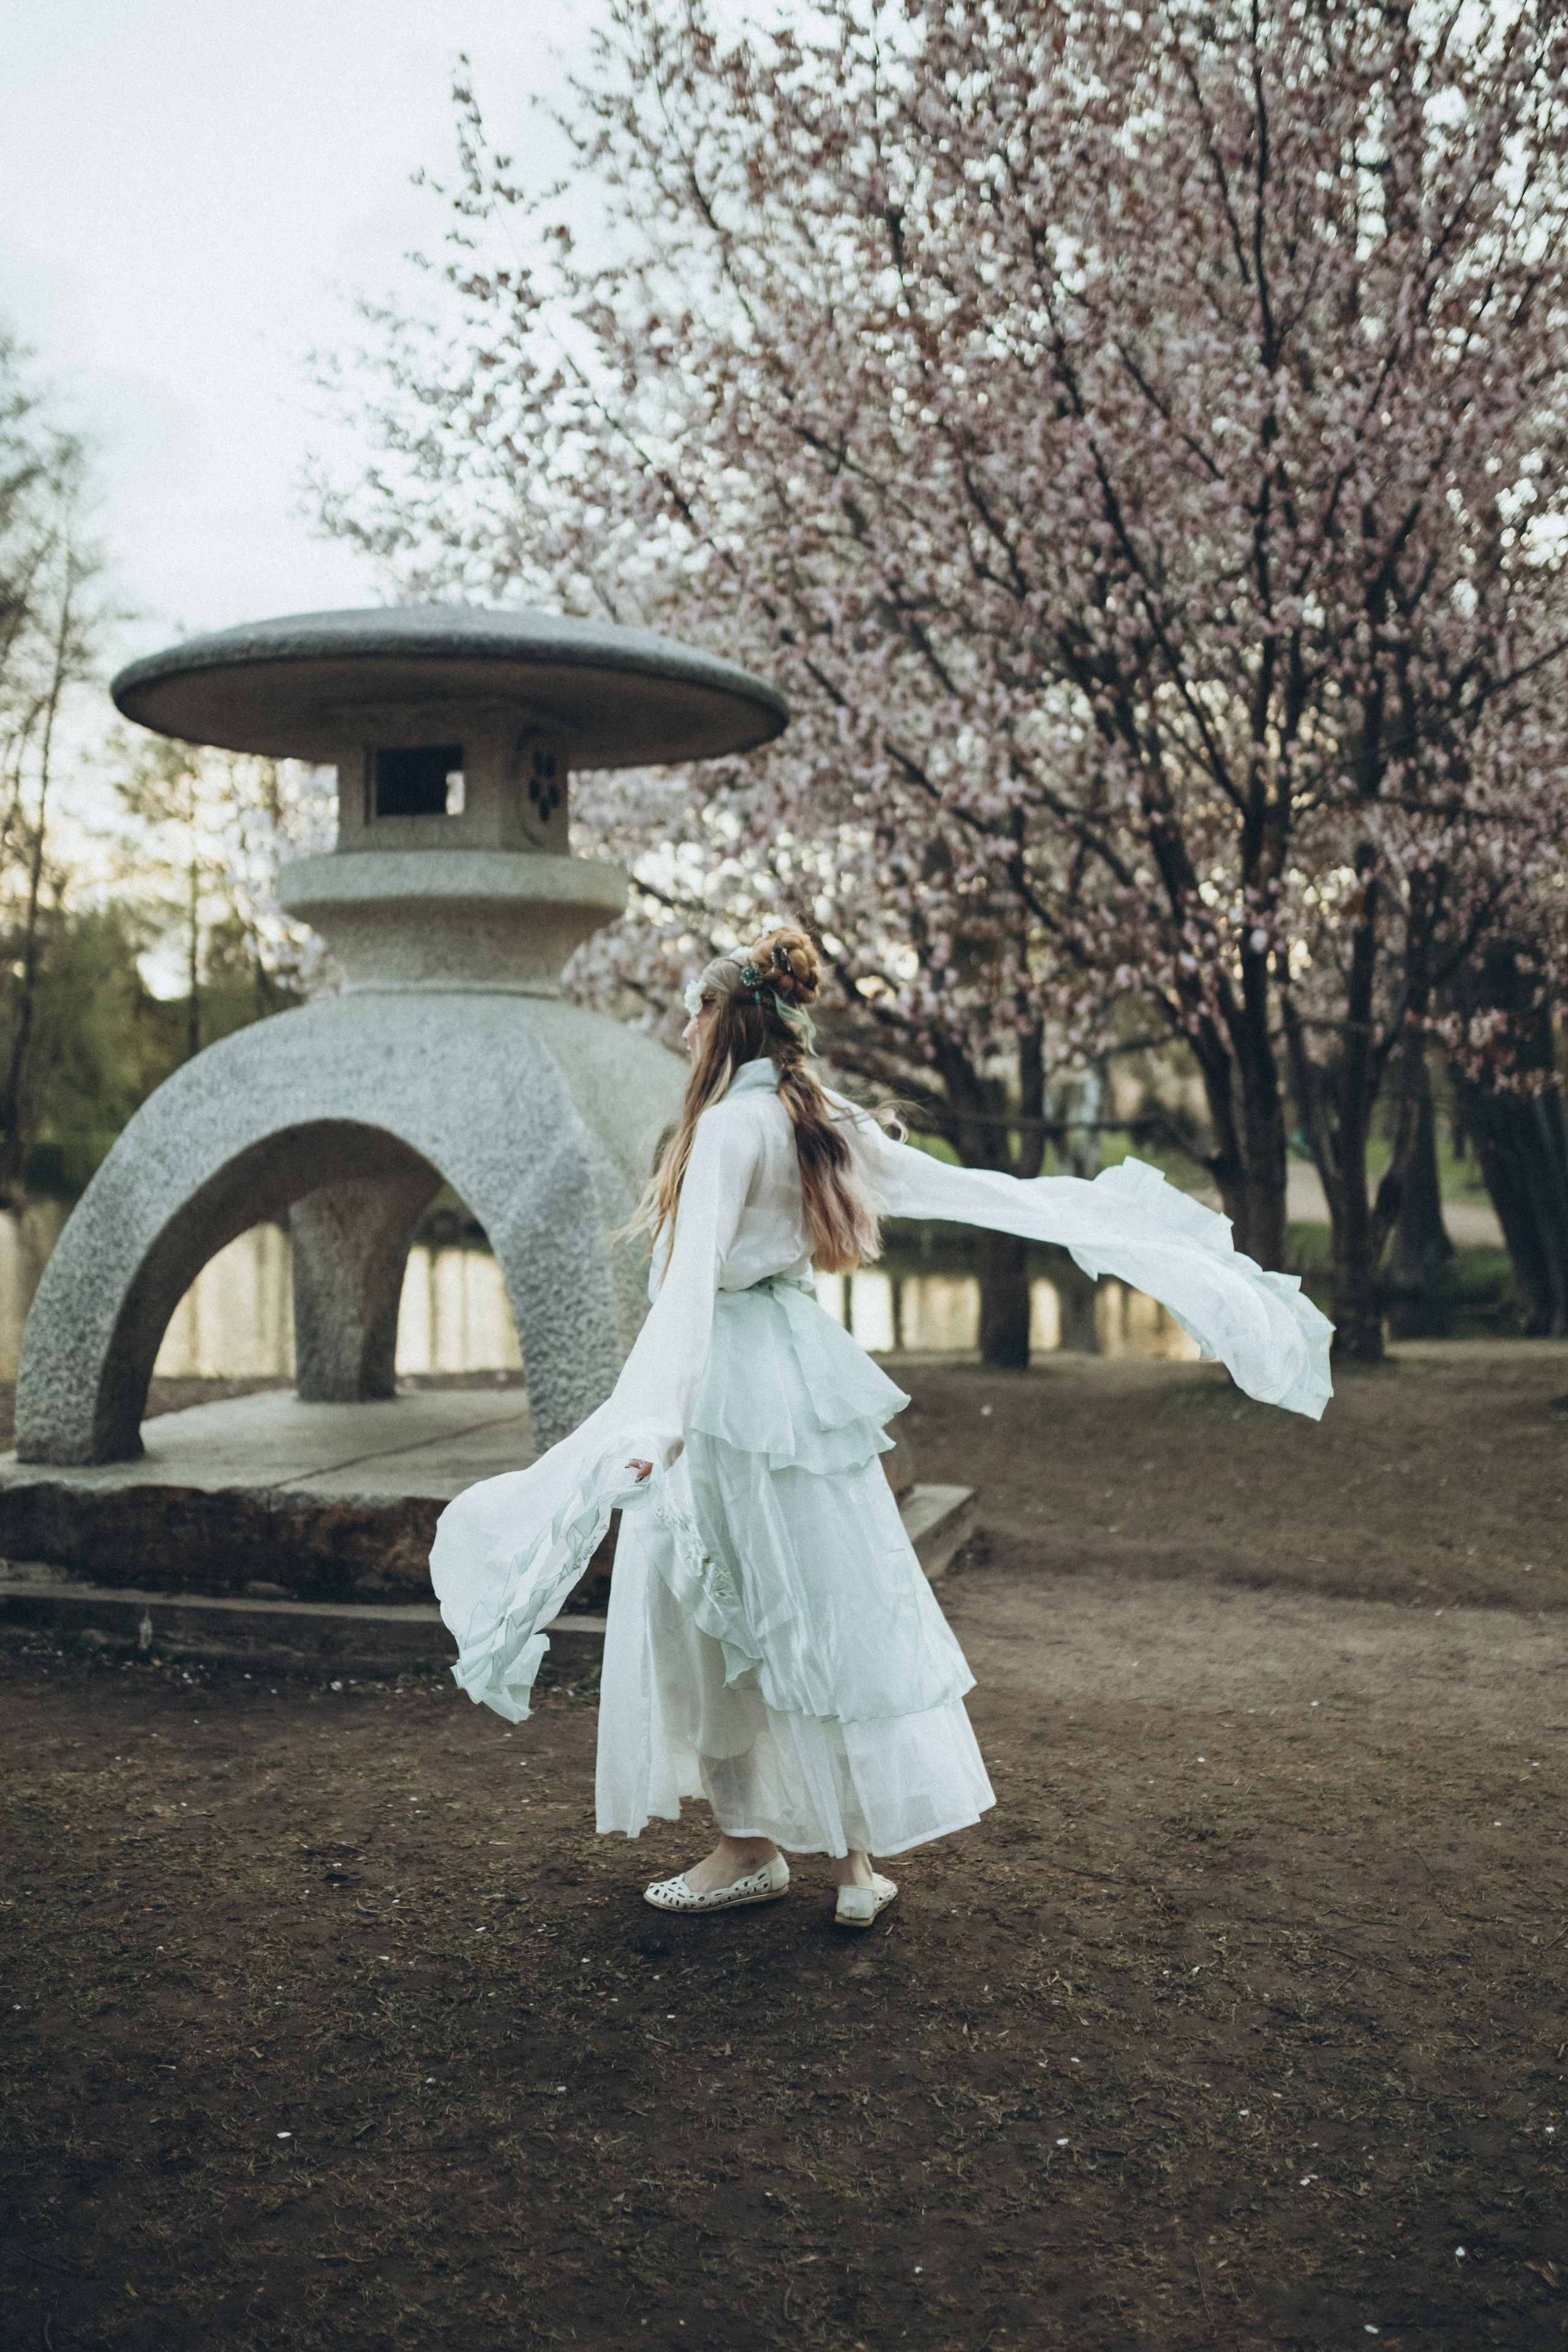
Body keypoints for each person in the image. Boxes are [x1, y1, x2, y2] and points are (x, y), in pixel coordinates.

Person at [430, 927, 1332, 1929]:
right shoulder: (823, 1115)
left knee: (714, 1618)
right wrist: (1098, 1221)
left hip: (724, 1388)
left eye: (695, 1012)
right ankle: (853, 1865)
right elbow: (974, 1192)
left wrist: (655, 1423)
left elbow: (687, 1293)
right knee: (824, 1604)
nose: (683, 1029)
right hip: (801, 1383)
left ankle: (749, 1847)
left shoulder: (730, 1132)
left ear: (729, 1024)